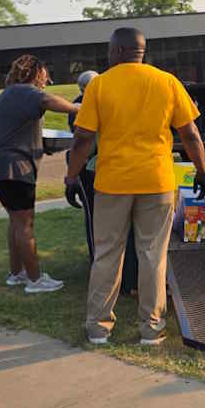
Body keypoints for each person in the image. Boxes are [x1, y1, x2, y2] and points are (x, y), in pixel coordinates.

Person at [64, 27, 205, 346]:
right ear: (141, 51)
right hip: (156, 181)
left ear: (116, 51)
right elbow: (190, 134)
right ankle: (152, 329)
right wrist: (201, 171)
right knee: (153, 255)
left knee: (107, 254)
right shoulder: (167, 82)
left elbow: (83, 139)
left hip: (112, 183)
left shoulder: (100, 85)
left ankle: (98, 328)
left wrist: (72, 176)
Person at [0, 54, 81, 293]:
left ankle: (17, 274)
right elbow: (48, 101)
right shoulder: (27, 91)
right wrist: (78, 108)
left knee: (16, 221)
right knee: (25, 223)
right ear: (36, 74)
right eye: (45, 76)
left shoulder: (10, 93)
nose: (46, 81)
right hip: (13, 166)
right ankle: (36, 280)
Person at [66, 69, 139, 294]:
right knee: (127, 228)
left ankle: (108, 276)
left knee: (101, 226)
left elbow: (81, 142)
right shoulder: (116, 100)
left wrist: (71, 177)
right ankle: (129, 280)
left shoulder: (83, 106)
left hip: (96, 169)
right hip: (125, 168)